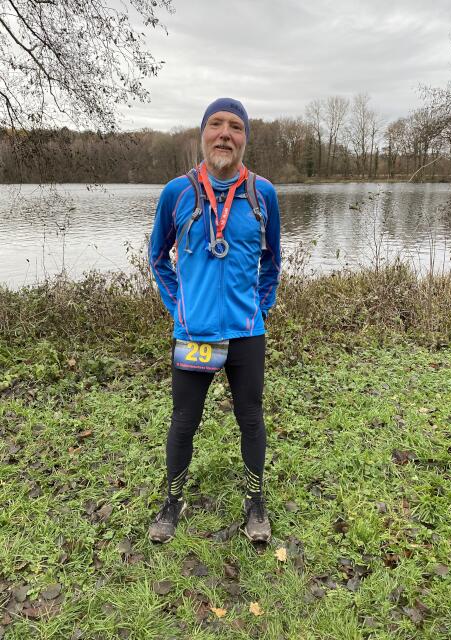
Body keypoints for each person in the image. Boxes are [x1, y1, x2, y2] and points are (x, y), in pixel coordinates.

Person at [148, 97, 281, 543]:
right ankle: (172, 501)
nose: (225, 134)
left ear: (245, 139)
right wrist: (179, 307)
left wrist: (261, 307)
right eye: (216, 124)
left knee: (251, 418)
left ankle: (255, 501)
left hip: (246, 333)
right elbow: (157, 257)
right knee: (184, 421)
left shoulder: (263, 194)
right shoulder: (177, 192)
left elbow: (272, 260)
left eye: (235, 127)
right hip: (194, 333)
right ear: (202, 133)